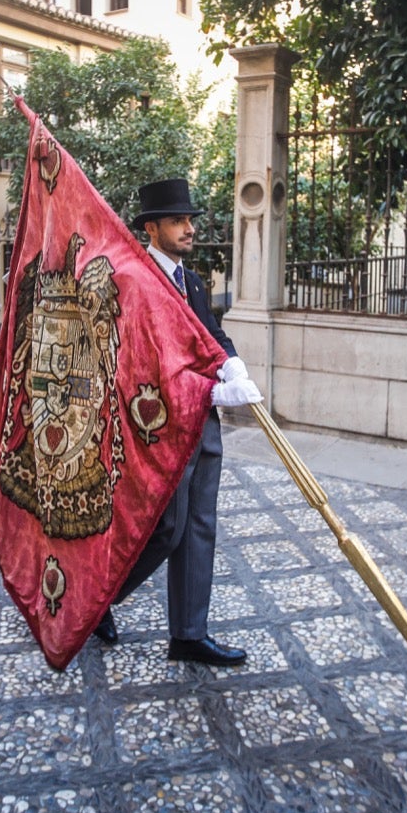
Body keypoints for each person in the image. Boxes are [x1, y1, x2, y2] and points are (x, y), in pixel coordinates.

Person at [99, 178, 261, 666]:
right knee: (164, 528)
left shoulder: (189, 280)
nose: (189, 228)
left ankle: (189, 633)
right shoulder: (135, 280)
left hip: (200, 421)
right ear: (152, 228)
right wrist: (210, 388)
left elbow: (210, 333)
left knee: (198, 526)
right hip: (157, 428)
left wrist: (233, 364)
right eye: (178, 221)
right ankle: (97, 599)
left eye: (189, 220)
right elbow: (139, 363)